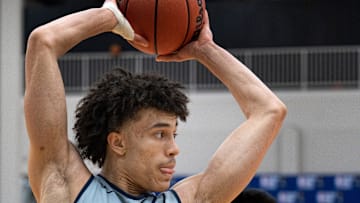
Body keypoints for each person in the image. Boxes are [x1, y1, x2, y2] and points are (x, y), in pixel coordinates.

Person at [24, 0, 287, 202]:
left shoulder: (192, 199)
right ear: (118, 142)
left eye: (174, 134)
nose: (174, 149)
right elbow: (43, 42)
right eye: (160, 134)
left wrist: (205, 50)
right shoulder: (64, 184)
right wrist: (110, 17)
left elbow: (270, 111)